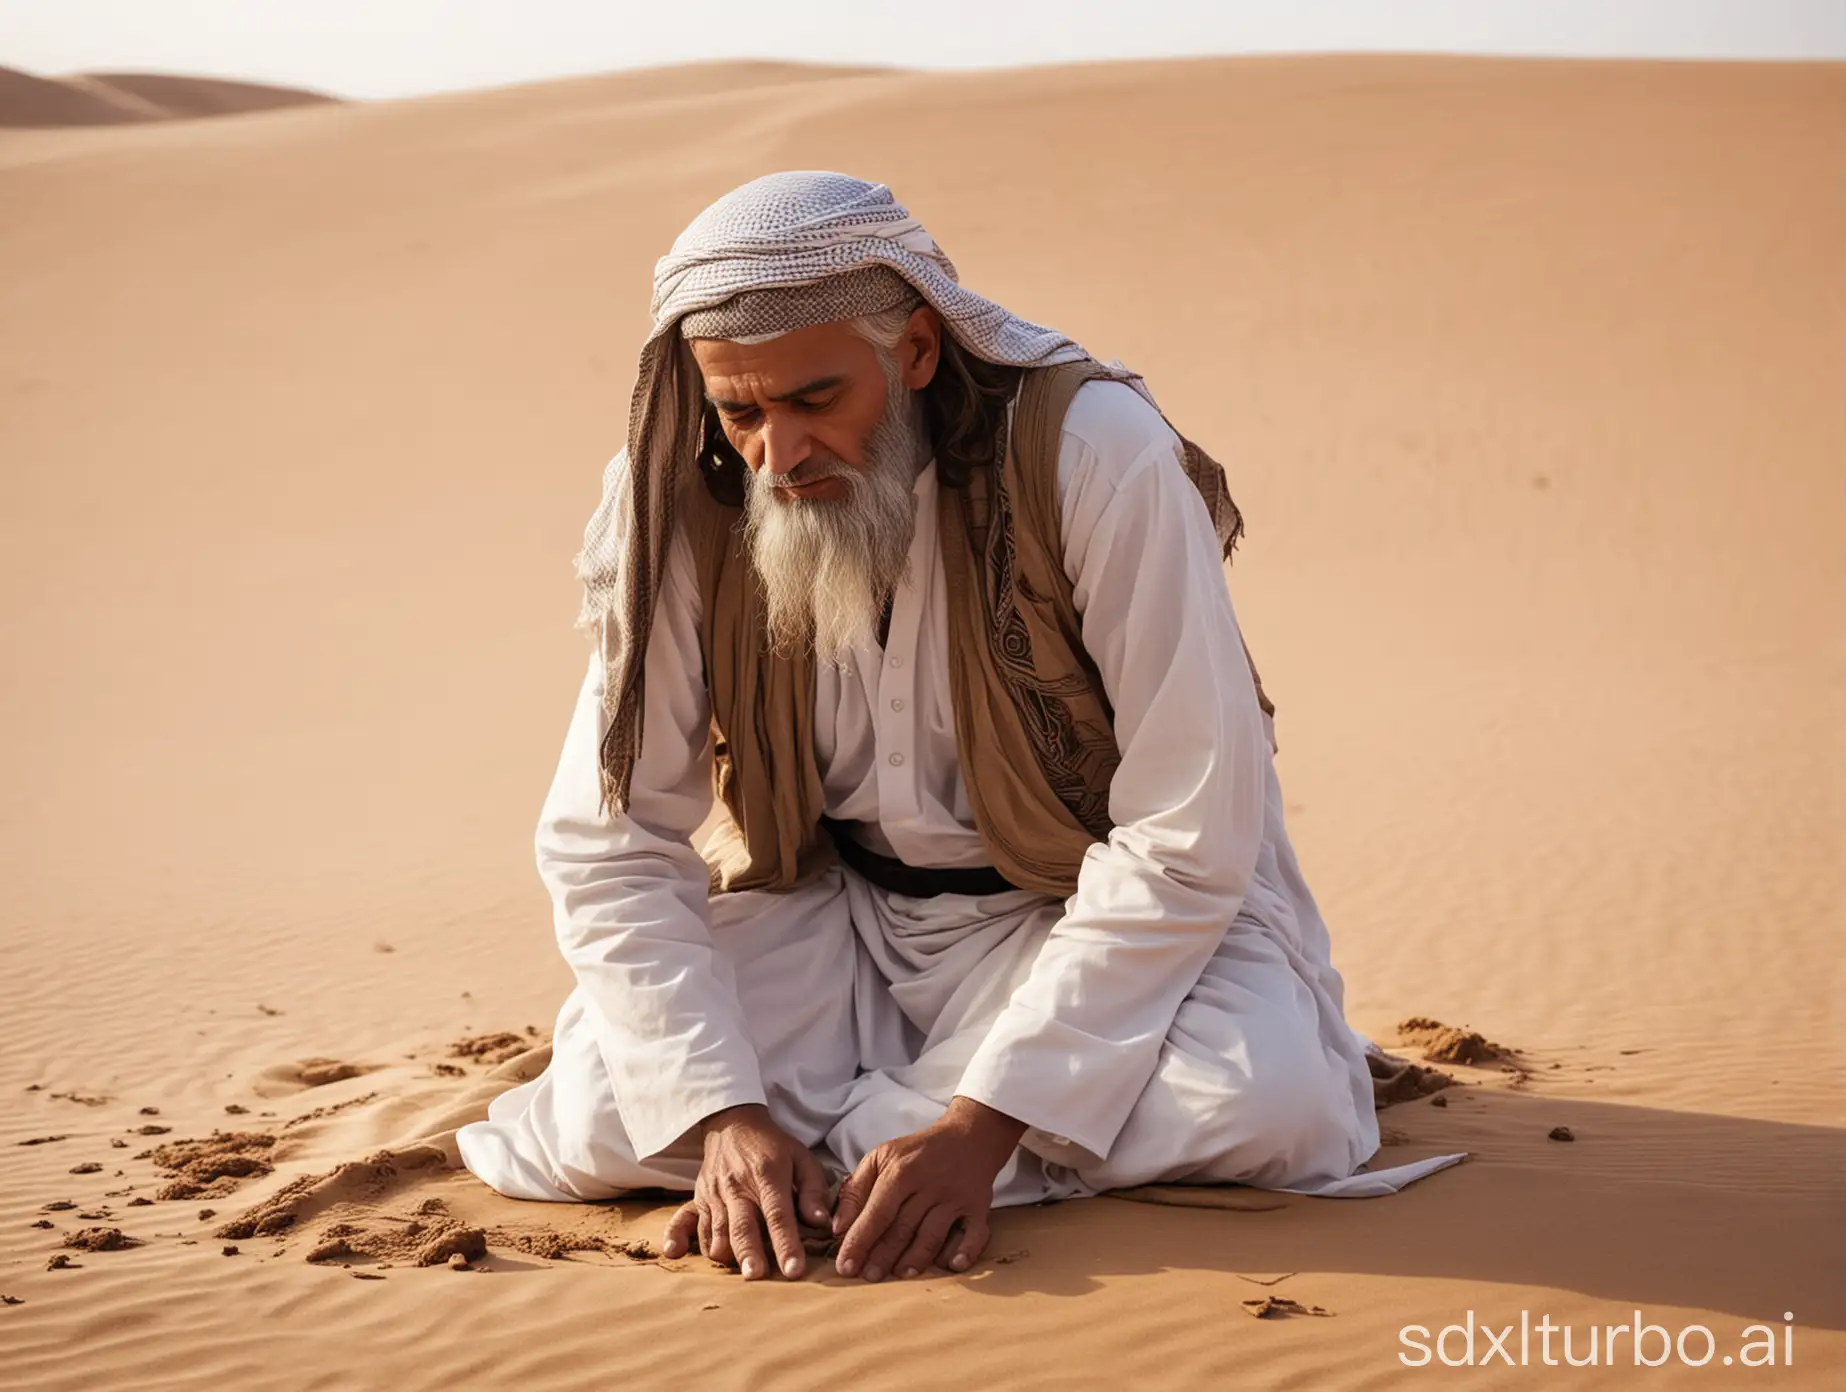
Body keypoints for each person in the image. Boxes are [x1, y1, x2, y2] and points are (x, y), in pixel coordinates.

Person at [457, 170, 1459, 1284]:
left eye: (815, 398)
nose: (777, 454)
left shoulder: (1091, 454)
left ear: (920, 352)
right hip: (839, 919)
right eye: (741, 411)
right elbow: (610, 843)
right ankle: (852, 1149)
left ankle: (875, 1148)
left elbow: (1190, 832)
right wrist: (730, 1119)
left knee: (1262, 1100)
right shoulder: (683, 497)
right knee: (607, 1112)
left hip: (1083, 917)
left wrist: (984, 1130)